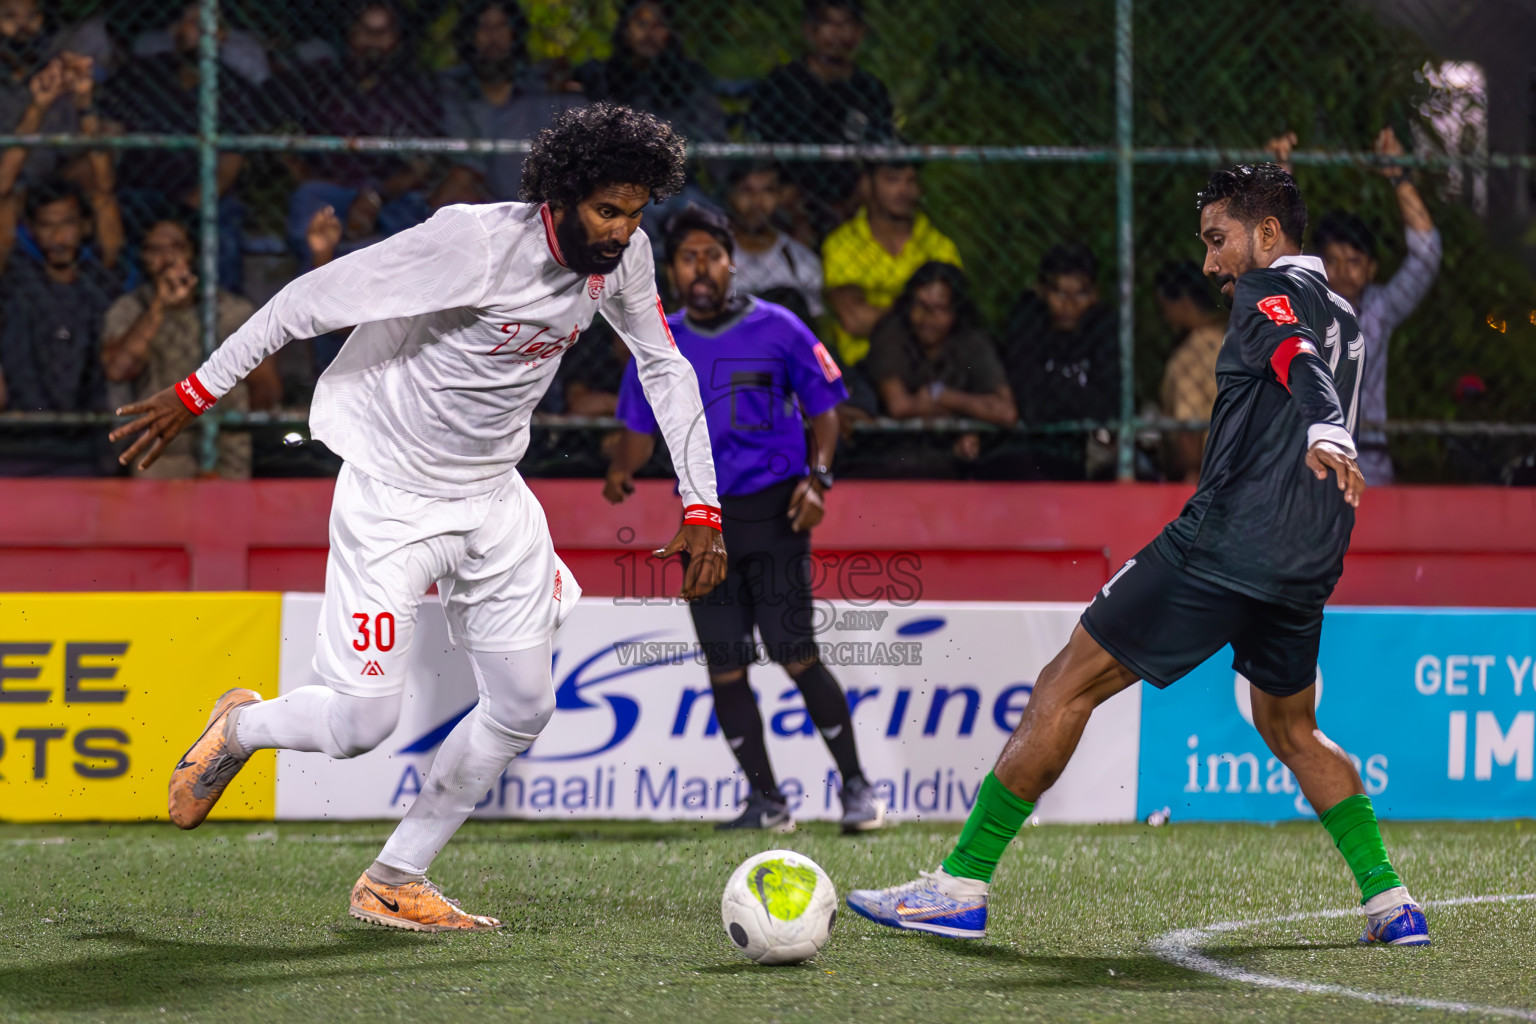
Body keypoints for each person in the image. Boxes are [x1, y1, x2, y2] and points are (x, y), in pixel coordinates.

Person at [111, 104, 726, 931]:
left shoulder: (626, 259)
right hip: (393, 495)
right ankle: (241, 725)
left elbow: (664, 365)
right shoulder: (470, 243)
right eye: (607, 210)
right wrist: (197, 391)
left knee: (524, 706)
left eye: (636, 211)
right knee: (363, 723)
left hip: (494, 496)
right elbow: (305, 301)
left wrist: (701, 505)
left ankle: (395, 877)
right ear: (562, 196)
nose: (623, 230)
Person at [847, 163, 1430, 950]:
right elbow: (1310, 357)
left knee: (1064, 684)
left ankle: (960, 885)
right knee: (1293, 729)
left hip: (1221, 547)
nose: (1208, 263)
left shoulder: (1269, 296)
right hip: (1306, 562)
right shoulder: (1350, 315)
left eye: (1218, 241)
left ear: (1266, 236)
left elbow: (1296, 360)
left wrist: (1326, 425)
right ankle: (1391, 903)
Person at [603, 206, 885, 833]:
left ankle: (858, 790)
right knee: (725, 665)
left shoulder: (781, 328)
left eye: (711, 254)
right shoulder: (656, 340)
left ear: (732, 261)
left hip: (775, 513)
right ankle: (768, 802)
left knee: (795, 654)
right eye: (687, 256)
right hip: (703, 524)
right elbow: (635, 429)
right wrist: (621, 469)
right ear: (671, 269)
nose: (700, 267)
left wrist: (820, 479)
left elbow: (827, 411)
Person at [262, 1, 443, 265]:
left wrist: (373, 197)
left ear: (398, 39)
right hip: (331, 188)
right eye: (365, 30)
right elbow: (275, 123)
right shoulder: (322, 80)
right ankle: (315, 296)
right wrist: (303, 173)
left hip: (392, 193)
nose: (373, 41)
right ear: (350, 34)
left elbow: (423, 165)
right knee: (309, 203)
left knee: (408, 231)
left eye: (383, 32)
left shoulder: (416, 89)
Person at [101, 220, 281, 479]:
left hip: (225, 449)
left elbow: (266, 391)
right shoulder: (130, 309)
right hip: (159, 449)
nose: (168, 258)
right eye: (155, 249)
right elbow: (117, 369)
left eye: (176, 247)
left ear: (194, 253)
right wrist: (159, 306)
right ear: (143, 257)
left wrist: (229, 425)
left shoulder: (232, 311)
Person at [103, 4, 263, 294]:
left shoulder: (236, 90)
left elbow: (228, 168)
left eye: (209, 24)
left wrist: (185, 211)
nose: (200, 31)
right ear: (174, 29)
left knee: (223, 235)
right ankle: (128, 314)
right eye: (191, 23)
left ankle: (222, 324)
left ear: (223, 35)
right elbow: (109, 139)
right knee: (113, 222)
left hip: (201, 196)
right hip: (139, 191)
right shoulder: (141, 74)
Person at [1312, 129, 1441, 486]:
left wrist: (1399, 177)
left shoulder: (1379, 309)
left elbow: (1427, 257)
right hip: (1305, 465)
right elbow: (1267, 269)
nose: (1342, 271)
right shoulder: (1302, 306)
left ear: (1370, 269)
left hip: (1368, 463)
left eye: (1354, 261)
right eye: (1333, 260)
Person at [0, 175, 125, 476]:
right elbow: (4, 223)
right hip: (23, 439)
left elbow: (106, 212)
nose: (58, 237)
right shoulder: (16, 282)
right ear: (31, 229)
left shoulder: (98, 283)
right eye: (46, 225)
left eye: (67, 224)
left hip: (87, 440)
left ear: (84, 227)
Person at [748, 0, 893, 233]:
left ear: (860, 32)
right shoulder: (783, 84)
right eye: (829, 24)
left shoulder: (869, 89)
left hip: (849, 191)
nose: (837, 35)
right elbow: (761, 142)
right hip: (792, 188)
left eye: (846, 24)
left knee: (874, 187)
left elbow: (880, 147)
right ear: (809, 31)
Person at [863, 261, 1015, 475]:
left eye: (939, 309)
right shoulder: (893, 332)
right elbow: (900, 406)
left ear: (956, 311)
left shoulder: (971, 340)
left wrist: (942, 397)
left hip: (958, 451)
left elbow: (1005, 412)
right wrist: (972, 412)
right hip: (897, 450)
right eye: (921, 306)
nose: (927, 318)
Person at [433, 0, 584, 205]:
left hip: (531, 201)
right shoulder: (449, 88)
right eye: (484, 26)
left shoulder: (542, 89)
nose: (493, 36)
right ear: (470, 34)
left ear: (515, 32)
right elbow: (463, 162)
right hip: (469, 199)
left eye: (501, 26)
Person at [822, 161, 961, 368]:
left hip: (929, 362)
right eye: (892, 180)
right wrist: (923, 315)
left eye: (911, 180)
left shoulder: (940, 245)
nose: (903, 190)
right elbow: (854, 320)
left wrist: (879, 313)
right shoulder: (842, 243)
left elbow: (955, 319)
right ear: (868, 184)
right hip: (863, 363)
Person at [999, 243, 1119, 479]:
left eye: (1081, 293)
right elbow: (1029, 404)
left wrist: (1054, 392)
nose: (1069, 304)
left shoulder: (1105, 330)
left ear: (1095, 294)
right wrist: (1077, 399)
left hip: (1086, 451)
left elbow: (1108, 402)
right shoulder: (1028, 326)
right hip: (1035, 450)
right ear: (1043, 291)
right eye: (1060, 293)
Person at [573, 0, 724, 147]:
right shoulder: (601, 76)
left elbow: (711, 134)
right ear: (626, 29)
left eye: (658, 26)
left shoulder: (689, 76)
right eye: (642, 23)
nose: (650, 34)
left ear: (669, 32)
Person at [723, 163, 825, 325]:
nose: (757, 201)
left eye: (767, 191)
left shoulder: (802, 262)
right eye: (747, 190)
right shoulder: (714, 259)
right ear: (731, 196)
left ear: (780, 196)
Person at [1155, 260, 1227, 483]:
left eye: (1165, 308)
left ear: (1183, 303)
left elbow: (1189, 435)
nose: (1165, 317)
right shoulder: (1233, 341)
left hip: (1205, 476)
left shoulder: (1189, 356)